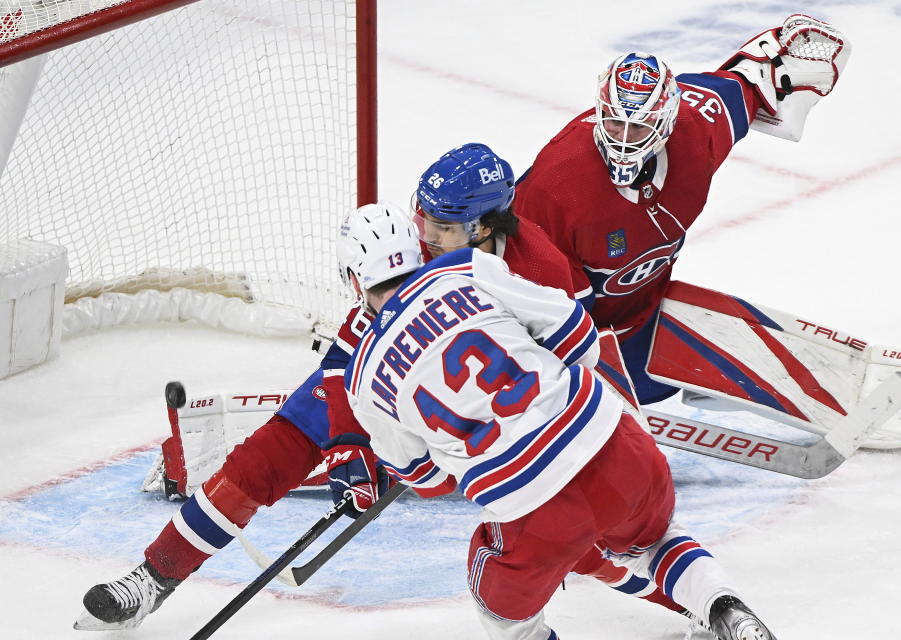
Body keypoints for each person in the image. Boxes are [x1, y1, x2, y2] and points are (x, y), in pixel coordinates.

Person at [74, 145, 685, 630]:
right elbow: (347, 366)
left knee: (571, 524)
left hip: (481, 429)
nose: (423, 231)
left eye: (439, 222)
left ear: (480, 226)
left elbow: (573, 359)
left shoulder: (538, 269)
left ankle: (683, 595)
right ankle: (155, 577)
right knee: (257, 464)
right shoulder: (410, 247)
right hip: (377, 386)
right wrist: (353, 448)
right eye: (422, 214)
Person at [338, 202, 777, 640]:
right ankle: (724, 604)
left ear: (355, 280)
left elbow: (428, 482)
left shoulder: (361, 379)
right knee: (658, 542)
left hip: (532, 505)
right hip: (614, 442)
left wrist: (455, 446)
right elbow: (578, 333)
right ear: (416, 251)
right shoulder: (466, 268)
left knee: (502, 612)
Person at [514, 14, 849, 405]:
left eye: (638, 128)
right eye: (615, 123)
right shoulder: (553, 189)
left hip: (651, 314)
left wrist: (784, 57)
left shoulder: (698, 125)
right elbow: (548, 314)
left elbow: (752, 78)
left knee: (745, 368)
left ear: (668, 119)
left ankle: (844, 393)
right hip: (585, 345)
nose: (623, 140)